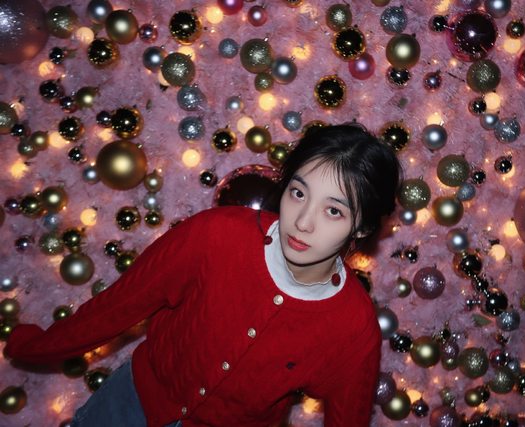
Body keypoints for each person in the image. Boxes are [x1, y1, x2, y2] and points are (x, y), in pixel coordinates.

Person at [4, 123, 402, 427]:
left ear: (362, 227)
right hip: (127, 405)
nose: (303, 222)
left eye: (333, 211)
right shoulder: (215, 235)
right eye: (298, 193)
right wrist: (35, 347)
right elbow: (119, 306)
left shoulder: (352, 327)